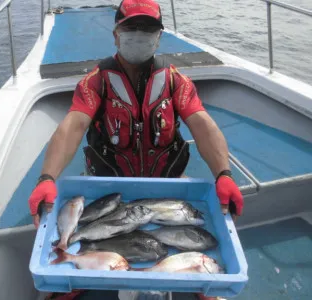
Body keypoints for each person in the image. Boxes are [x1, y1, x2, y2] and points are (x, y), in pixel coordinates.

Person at [29, 0, 243, 299]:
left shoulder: (175, 81)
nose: (139, 35)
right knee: (89, 229)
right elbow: (72, 127)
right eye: (131, 27)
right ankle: (79, 266)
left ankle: (195, 273)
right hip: (108, 188)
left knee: (194, 238)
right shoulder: (95, 83)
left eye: (148, 29)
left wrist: (223, 174)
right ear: (116, 34)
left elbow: (203, 125)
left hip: (167, 185)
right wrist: (47, 178)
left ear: (159, 36)